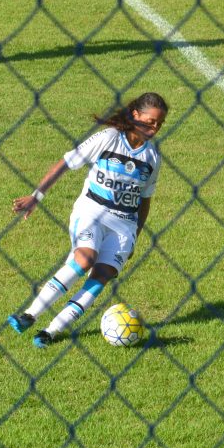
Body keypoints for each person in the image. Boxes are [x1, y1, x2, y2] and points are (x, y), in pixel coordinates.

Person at [9, 93, 168, 347]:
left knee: (101, 276)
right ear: (135, 115)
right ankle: (29, 315)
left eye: (159, 124)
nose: (155, 128)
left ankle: (50, 331)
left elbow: (145, 200)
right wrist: (36, 196)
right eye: (150, 121)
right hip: (91, 211)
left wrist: (134, 238)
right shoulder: (108, 138)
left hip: (124, 225)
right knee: (84, 259)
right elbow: (66, 162)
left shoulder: (152, 158)